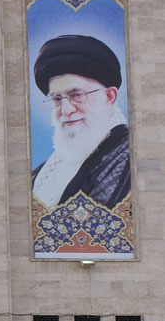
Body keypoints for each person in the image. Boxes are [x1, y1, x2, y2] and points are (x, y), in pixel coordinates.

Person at [30, 33, 130, 209]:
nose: (66, 110)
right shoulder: (43, 171)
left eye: (76, 95)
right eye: (57, 99)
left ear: (109, 96)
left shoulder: (128, 154)